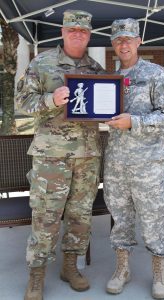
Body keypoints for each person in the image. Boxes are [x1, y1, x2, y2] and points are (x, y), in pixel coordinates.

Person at [15, 10, 104, 300]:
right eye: (72, 29)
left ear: (89, 35)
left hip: (87, 155)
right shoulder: (42, 63)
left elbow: (105, 105)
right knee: (46, 215)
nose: (78, 34)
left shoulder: (96, 69)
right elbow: (22, 101)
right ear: (63, 32)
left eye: (84, 30)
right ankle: (36, 275)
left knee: (80, 215)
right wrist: (50, 99)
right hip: (52, 155)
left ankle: (70, 267)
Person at [103, 18, 164, 299]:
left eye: (129, 38)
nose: (123, 44)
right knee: (120, 218)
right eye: (118, 39)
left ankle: (160, 272)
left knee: (153, 219)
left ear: (138, 42)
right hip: (116, 164)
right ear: (113, 44)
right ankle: (122, 269)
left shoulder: (156, 74)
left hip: (147, 163)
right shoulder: (107, 78)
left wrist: (134, 121)